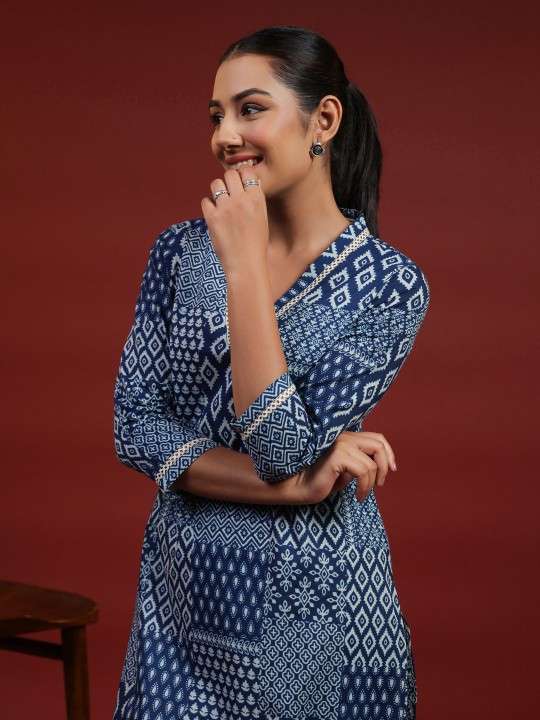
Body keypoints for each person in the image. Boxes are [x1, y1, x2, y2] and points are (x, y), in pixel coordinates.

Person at [112, 24, 430, 720]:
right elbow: (134, 427)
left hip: (310, 610)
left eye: (250, 109)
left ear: (324, 120)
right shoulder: (178, 253)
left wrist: (246, 269)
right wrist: (296, 488)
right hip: (181, 604)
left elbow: (279, 446)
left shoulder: (389, 286)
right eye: (216, 115)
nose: (225, 135)